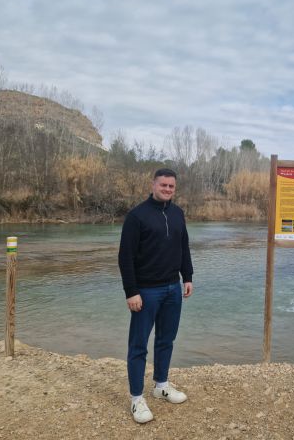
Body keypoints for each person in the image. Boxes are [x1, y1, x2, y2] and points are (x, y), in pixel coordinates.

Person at [118, 168, 194, 424]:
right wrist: (132, 292)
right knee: (138, 346)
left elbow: (183, 246)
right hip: (146, 291)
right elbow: (125, 258)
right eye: (163, 185)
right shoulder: (137, 216)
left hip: (173, 287)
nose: (168, 189)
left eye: (171, 186)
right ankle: (136, 399)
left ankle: (161, 385)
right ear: (153, 185)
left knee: (166, 340)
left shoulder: (177, 213)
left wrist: (188, 276)